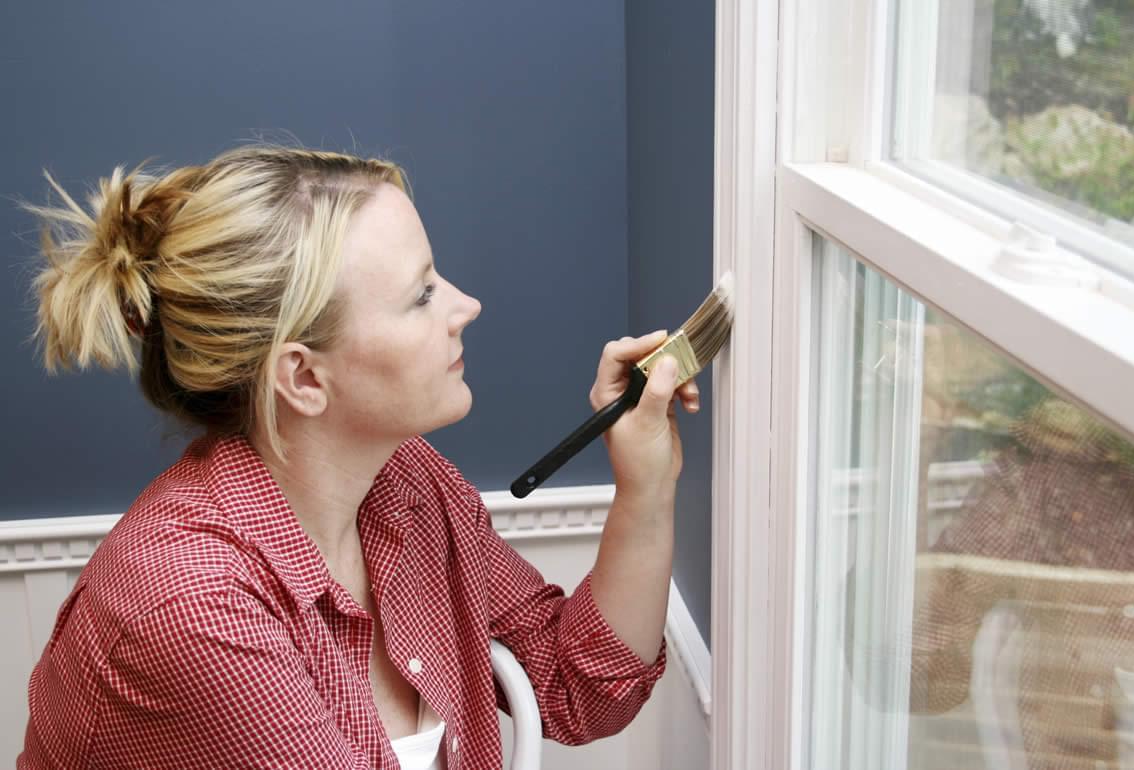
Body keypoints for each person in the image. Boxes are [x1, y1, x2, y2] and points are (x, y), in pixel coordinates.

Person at [16, 145, 700, 770]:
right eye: (422, 294)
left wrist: (645, 484)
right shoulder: (195, 606)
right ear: (303, 377)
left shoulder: (408, 483)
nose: (467, 305)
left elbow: (576, 685)